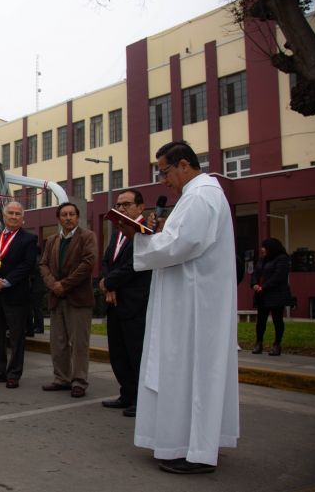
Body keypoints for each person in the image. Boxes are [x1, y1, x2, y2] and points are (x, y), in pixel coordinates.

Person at [117, 141, 239, 474]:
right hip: (189, 299)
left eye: (164, 171)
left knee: (192, 375)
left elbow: (180, 245)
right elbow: (178, 239)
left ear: (184, 165)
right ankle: (189, 442)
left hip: (194, 307)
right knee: (187, 374)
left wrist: (138, 237)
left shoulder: (200, 197)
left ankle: (195, 451)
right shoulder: (198, 196)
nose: (163, 180)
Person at [99, 189, 152, 417]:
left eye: (126, 204)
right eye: (119, 205)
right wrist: (109, 285)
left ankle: (141, 400)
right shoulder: (118, 232)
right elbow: (107, 260)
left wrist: (110, 282)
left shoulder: (145, 233)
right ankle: (126, 394)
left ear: (140, 207)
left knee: (136, 353)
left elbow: (135, 264)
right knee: (118, 353)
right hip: (115, 302)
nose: (121, 209)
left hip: (135, 302)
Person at [38, 202, 97, 398]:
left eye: (72, 214)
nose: (68, 217)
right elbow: (43, 264)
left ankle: (79, 381)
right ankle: (61, 378)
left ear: (77, 217)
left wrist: (65, 284)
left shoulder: (87, 237)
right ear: (59, 218)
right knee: (58, 342)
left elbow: (88, 263)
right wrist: (53, 284)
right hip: (57, 298)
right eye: (64, 214)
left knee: (79, 343)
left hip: (78, 299)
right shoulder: (52, 240)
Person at [0, 201, 38, 389]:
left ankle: (13, 374)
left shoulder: (29, 239)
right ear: (4, 217)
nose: (13, 216)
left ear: (23, 218)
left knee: (16, 337)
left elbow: (27, 265)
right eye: (10, 213)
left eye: (17, 214)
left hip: (16, 295)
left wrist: (5, 282)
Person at [251, 238, 291, 356]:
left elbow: (279, 276)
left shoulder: (282, 259)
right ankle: (258, 343)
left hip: (276, 294)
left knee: (277, 320)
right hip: (261, 295)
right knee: (261, 320)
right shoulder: (262, 260)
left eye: (264, 247)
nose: (262, 249)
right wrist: (254, 284)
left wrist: (264, 287)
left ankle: (277, 344)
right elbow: (255, 273)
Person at [27, 253, 46, 336]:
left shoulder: (35, 260)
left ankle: (39, 327)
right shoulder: (39, 258)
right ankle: (37, 325)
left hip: (37, 288)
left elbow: (33, 274)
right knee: (37, 307)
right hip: (39, 287)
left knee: (37, 308)